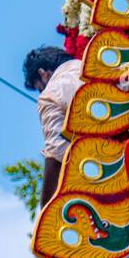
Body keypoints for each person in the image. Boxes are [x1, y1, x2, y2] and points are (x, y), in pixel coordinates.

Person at [23, 45, 83, 206]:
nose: (42, 91)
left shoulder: (49, 96)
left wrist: (45, 208)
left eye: (39, 87)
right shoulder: (92, 65)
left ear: (43, 74)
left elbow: (59, 153)